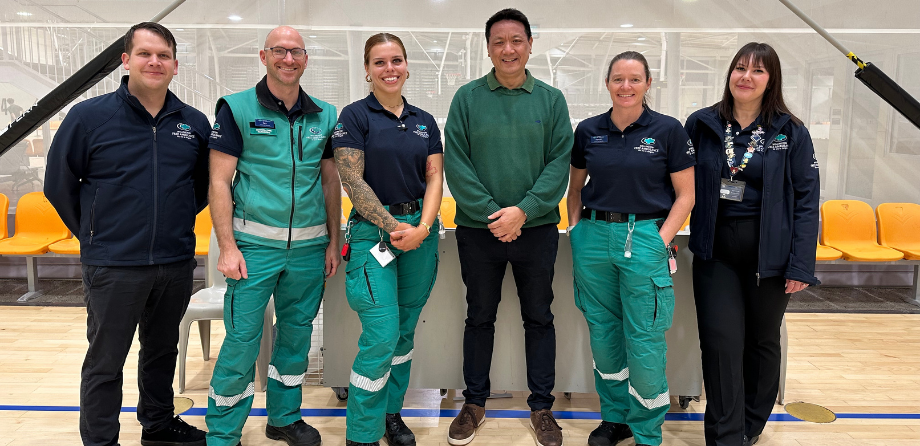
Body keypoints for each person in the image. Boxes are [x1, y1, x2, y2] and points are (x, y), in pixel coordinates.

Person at [44, 22, 209, 446]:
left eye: (164, 56)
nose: (154, 62)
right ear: (126, 61)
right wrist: (95, 235)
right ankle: (101, 440)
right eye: (145, 54)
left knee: (161, 352)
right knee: (106, 360)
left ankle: (157, 425)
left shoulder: (192, 122)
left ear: (175, 65)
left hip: (173, 262)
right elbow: (59, 185)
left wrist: (172, 221)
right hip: (114, 264)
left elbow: (202, 186)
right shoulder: (90, 117)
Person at [204, 26, 341, 446]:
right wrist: (227, 247)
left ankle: (284, 418)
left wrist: (333, 242)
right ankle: (224, 433)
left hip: (309, 249)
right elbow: (219, 182)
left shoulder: (326, 114)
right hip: (253, 251)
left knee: (296, 336)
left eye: (296, 51)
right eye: (279, 51)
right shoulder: (237, 108)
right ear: (263, 56)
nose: (288, 59)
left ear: (305, 59)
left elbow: (330, 182)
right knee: (243, 342)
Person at [443, 8, 573, 446]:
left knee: (540, 317)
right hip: (479, 231)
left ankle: (542, 408)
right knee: (479, 317)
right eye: (499, 42)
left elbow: (560, 164)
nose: (508, 49)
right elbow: (456, 166)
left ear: (531, 44)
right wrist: (496, 215)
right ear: (488, 48)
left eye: (516, 40)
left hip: (536, 230)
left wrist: (525, 211)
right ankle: (474, 403)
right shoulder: (467, 98)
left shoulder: (552, 100)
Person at [685, 42, 820, 446]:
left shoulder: (790, 131)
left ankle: (751, 424)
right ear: (730, 74)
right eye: (740, 68)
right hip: (716, 251)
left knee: (761, 341)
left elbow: (807, 202)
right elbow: (674, 182)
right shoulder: (702, 123)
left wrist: (800, 264)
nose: (746, 76)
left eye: (757, 71)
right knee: (721, 342)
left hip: (771, 256)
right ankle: (725, 436)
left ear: (770, 79)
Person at [566, 51, 695, 446]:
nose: (626, 87)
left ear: (648, 84)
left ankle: (646, 430)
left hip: (644, 239)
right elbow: (575, 189)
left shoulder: (668, 131)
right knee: (603, 335)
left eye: (634, 79)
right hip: (593, 238)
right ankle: (614, 418)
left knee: (644, 338)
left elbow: (686, 196)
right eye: (618, 79)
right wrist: (575, 230)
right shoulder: (589, 131)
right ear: (606, 83)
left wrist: (660, 240)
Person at [332, 33, 443, 446]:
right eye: (379, 62)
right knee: (380, 335)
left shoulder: (424, 121)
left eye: (396, 60)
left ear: (407, 65)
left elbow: (435, 177)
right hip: (372, 235)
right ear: (367, 70)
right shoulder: (355, 116)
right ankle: (362, 432)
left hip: (419, 234)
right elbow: (351, 179)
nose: (389, 68)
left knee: (404, 333)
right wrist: (395, 228)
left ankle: (391, 414)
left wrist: (423, 228)